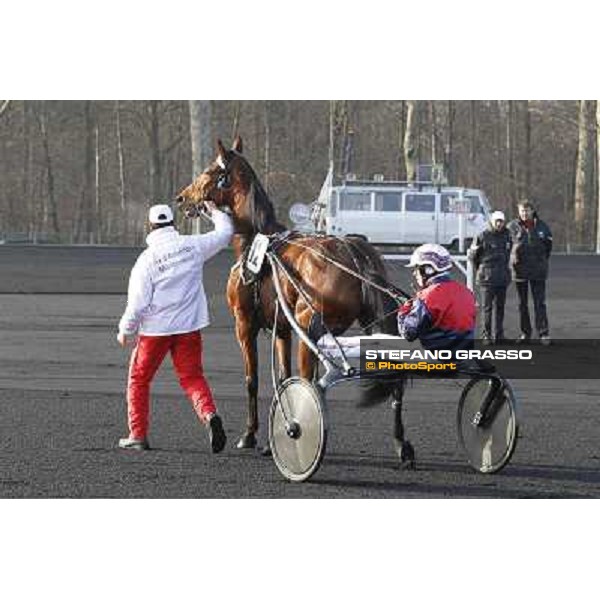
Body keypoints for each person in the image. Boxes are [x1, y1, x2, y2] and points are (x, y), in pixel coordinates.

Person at [117, 202, 234, 452]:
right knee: (192, 378)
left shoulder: (146, 260)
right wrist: (212, 211)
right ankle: (209, 415)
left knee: (139, 380)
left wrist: (125, 330)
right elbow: (225, 233)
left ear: (150, 226)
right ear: (173, 223)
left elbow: (138, 303)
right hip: (189, 328)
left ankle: (138, 434)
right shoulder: (192, 246)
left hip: (155, 332)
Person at [397, 243, 476, 352]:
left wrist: (404, 311)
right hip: (464, 355)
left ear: (428, 269)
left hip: (437, 358)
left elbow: (408, 334)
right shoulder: (467, 292)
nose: (414, 274)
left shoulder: (426, 296)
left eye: (416, 268)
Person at [507, 199, 553, 345]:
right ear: (518, 212)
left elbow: (548, 248)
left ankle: (543, 333)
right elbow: (507, 246)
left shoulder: (542, 227)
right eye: (521, 211)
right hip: (520, 272)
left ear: (532, 211)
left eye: (526, 210)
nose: (524, 214)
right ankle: (525, 333)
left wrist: (540, 261)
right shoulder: (512, 227)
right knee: (522, 304)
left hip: (538, 271)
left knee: (540, 303)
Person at [468, 210, 512, 345]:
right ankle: (486, 336)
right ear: (492, 221)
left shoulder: (507, 235)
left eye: (501, 221)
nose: (499, 223)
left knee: (500, 308)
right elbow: (473, 257)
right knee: (487, 308)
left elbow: (509, 254)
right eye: (497, 221)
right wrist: (482, 270)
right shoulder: (482, 236)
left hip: (502, 277)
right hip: (486, 278)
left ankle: (499, 335)